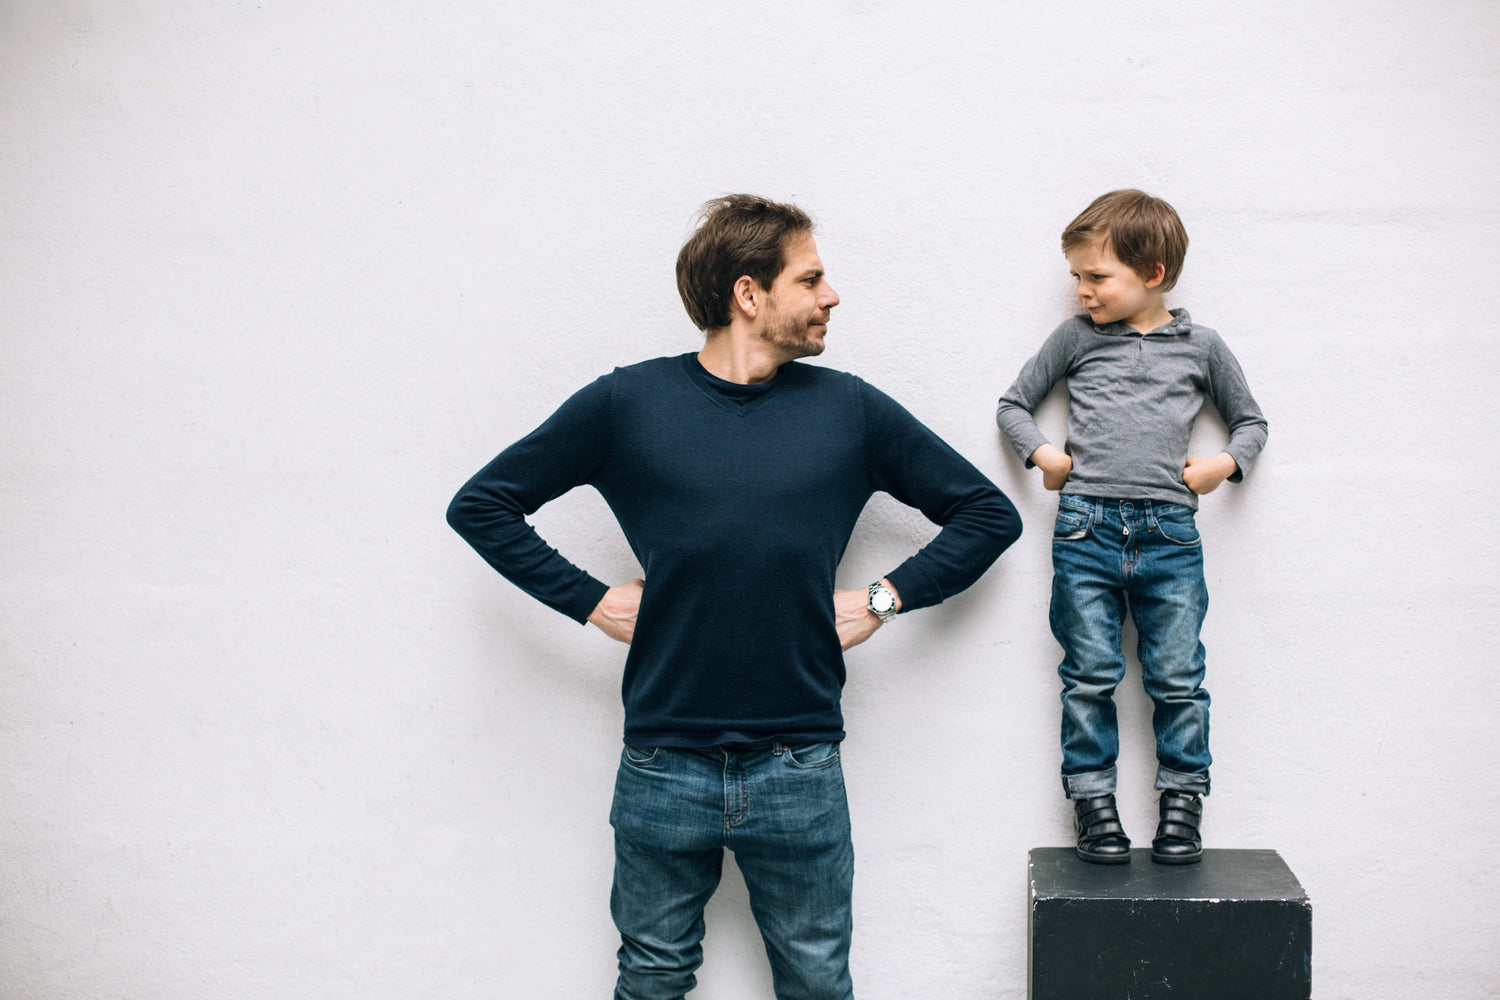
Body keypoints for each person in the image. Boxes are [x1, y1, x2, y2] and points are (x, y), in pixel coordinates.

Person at [448, 194, 1021, 998]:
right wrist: (589, 600)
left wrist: (883, 599)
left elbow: (986, 514)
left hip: (800, 762)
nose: (832, 296)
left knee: (817, 983)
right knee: (651, 978)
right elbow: (482, 504)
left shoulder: (847, 410)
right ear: (749, 293)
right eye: (811, 278)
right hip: (662, 761)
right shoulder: (627, 404)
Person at [996, 190, 1268, 866]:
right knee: (1088, 675)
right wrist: (1045, 454)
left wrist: (1222, 466)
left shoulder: (1201, 347)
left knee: (1177, 677)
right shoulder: (1075, 340)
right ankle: (1094, 809)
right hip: (1086, 529)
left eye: (1096, 277)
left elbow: (1252, 422)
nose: (1083, 292)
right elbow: (1013, 405)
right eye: (1077, 278)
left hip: (1169, 534)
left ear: (1152, 274)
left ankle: (1182, 804)